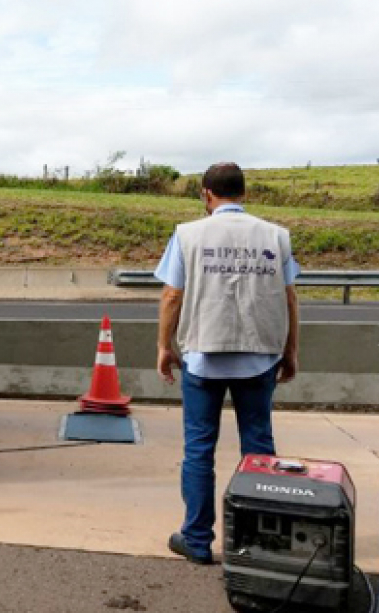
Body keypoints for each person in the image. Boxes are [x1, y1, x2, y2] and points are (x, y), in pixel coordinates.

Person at [153, 162, 301, 565]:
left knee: (200, 449)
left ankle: (197, 539)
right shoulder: (275, 236)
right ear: (244, 193)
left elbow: (171, 297)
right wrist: (289, 351)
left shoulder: (188, 234)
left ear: (206, 194)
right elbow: (289, 298)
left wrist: (164, 347)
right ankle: (258, 541)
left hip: (203, 355)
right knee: (258, 446)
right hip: (260, 356)